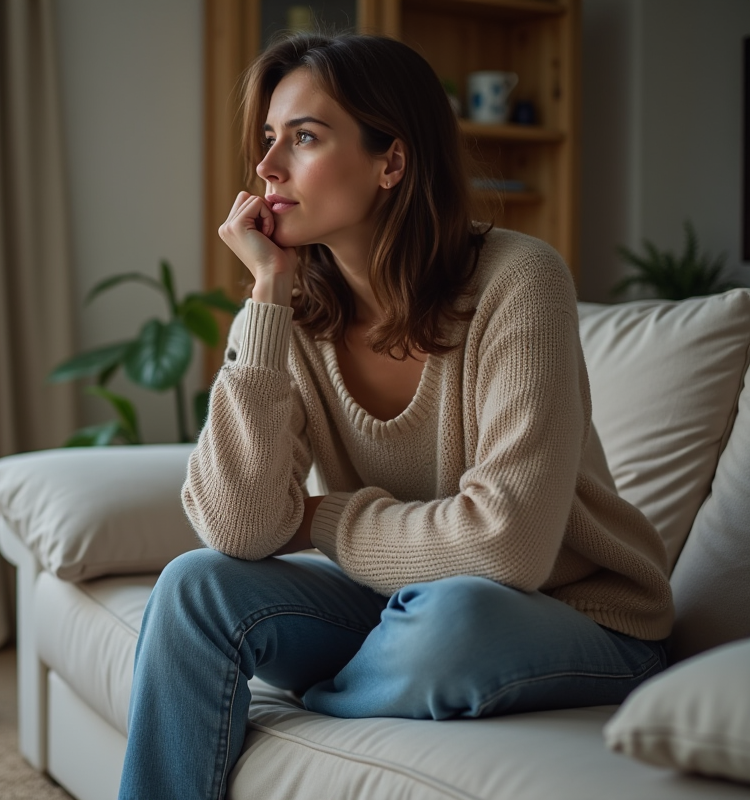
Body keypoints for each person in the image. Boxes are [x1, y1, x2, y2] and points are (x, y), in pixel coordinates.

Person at [117, 32, 673, 800]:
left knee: (455, 617)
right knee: (192, 588)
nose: (267, 166)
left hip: (578, 619)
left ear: (392, 163)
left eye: (304, 137)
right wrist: (266, 298)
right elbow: (240, 528)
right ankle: (381, 677)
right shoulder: (295, 313)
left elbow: (507, 546)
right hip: (398, 605)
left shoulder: (519, 280)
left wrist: (320, 517)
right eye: (269, 137)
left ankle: (338, 695)